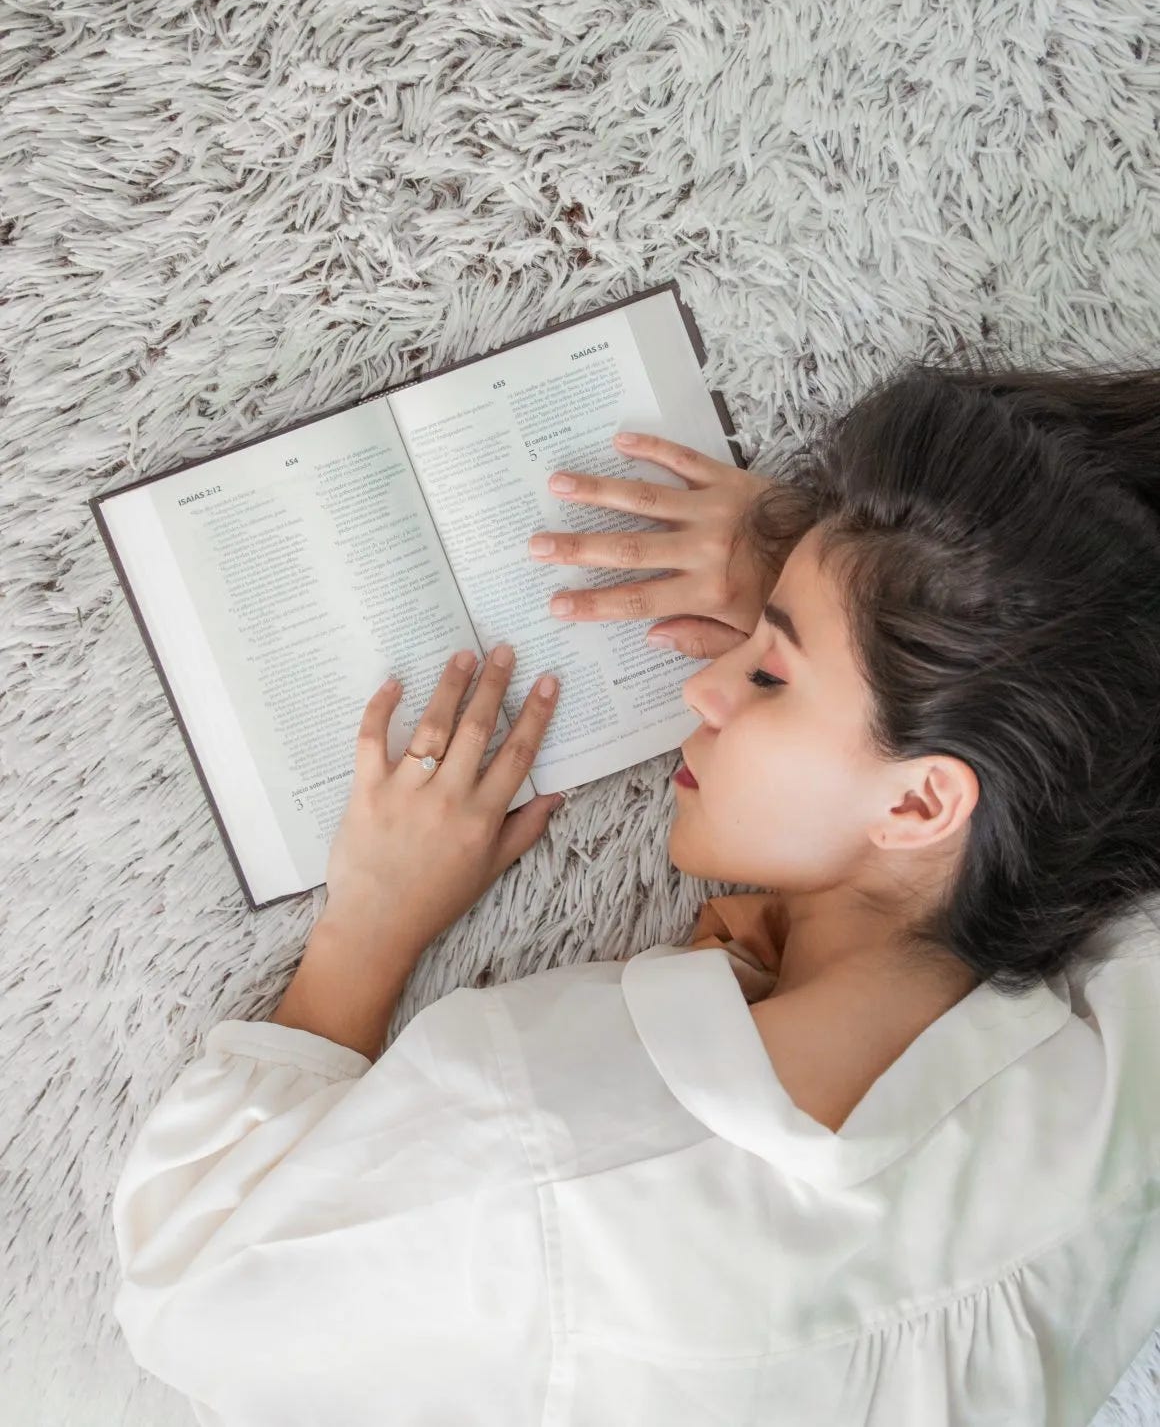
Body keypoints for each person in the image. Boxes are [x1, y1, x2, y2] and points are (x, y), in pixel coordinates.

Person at [111, 348, 1160, 1426]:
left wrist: (369, 928)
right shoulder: (1123, 1086)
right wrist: (876, 609)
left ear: (922, 801)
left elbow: (187, 1293)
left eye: (766, 673)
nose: (703, 686)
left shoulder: (538, 1139)